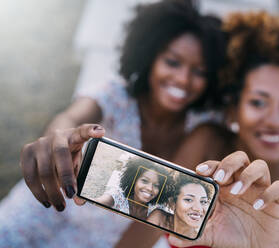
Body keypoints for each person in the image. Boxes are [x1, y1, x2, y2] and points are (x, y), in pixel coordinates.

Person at [0, 0, 227, 247]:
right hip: (46, 209)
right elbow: (70, 119)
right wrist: (58, 137)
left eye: (199, 71)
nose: (183, 79)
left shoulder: (204, 127)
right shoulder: (116, 95)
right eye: (172, 62)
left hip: (106, 239)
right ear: (149, 56)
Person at [171, 11, 279, 248]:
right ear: (234, 107)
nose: (274, 121)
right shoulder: (206, 142)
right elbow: (146, 223)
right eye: (258, 102)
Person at [96, 158, 171, 219]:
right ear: (133, 180)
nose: (150, 188)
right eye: (144, 181)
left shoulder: (157, 209)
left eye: (156, 185)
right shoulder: (118, 197)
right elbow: (100, 201)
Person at [147, 174, 212, 238]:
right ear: (172, 203)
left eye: (203, 202)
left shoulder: (201, 240)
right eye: (189, 200)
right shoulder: (159, 217)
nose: (198, 208)